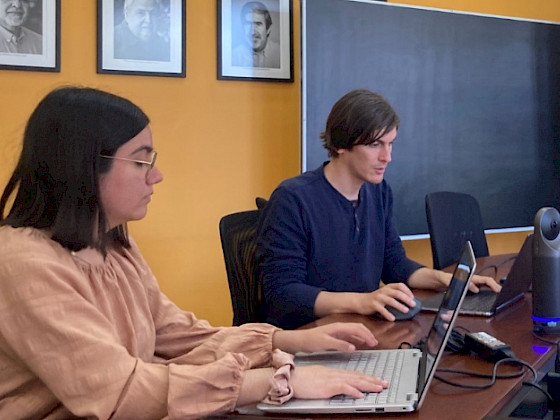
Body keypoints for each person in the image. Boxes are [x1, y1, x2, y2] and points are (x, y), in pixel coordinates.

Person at [0, 86, 392, 419]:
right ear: (82, 168)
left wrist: (285, 342)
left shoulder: (113, 243)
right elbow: (119, 391)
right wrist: (275, 381)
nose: (156, 175)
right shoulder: (23, 264)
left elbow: (176, 335)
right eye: (140, 161)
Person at [256, 89, 502, 330]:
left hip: (361, 328)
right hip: (309, 336)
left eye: (390, 144)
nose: (387, 157)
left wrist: (446, 280)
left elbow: (393, 264)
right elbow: (284, 294)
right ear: (342, 144)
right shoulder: (293, 200)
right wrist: (362, 301)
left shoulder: (379, 192)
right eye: (375, 145)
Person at [232, 1, 280, 68]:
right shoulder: (233, 56)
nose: (252, 32)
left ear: (268, 29)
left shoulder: (280, 54)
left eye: (258, 24)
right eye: (248, 24)